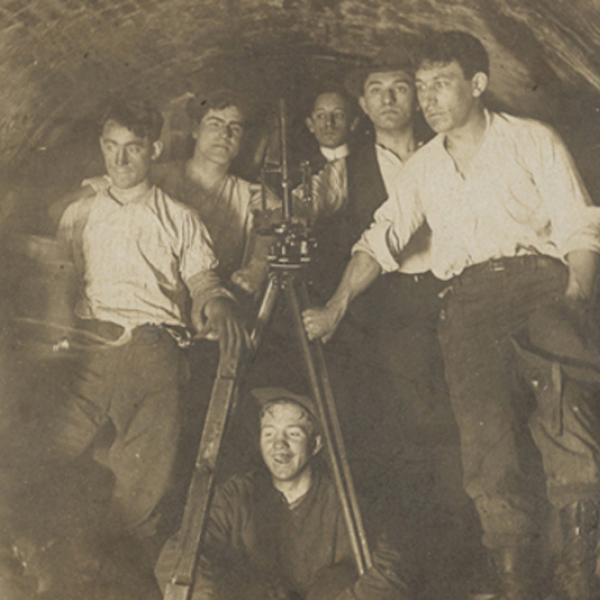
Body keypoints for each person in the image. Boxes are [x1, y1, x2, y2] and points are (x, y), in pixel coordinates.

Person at [303, 30, 600, 600]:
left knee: (568, 431)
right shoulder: (423, 167)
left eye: (441, 84)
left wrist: (574, 300)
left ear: (478, 84)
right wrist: (337, 305)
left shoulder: (533, 140)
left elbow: (578, 224)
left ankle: (580, 580)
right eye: (422, 87)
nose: (429, 99)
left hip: (540, 285)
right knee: (487, 450)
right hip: (466, 304)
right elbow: (380, 238)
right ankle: (515, 586)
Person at [0, 97, 249, 600]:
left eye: (132, 149)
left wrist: (217, 303)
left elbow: (204, 281)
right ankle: (28, 571)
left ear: (154, 150)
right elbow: (59, 282)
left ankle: (116, 583)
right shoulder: (79, 213)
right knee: (32, 453)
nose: (119, 161)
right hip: (89, 351)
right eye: (111, 148)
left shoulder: (179, 217)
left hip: (154, 352)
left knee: (143, 490)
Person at [155, 387, 414, 600]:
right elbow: (180, 551)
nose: (279, 444)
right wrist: (203, 594)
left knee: (337, 579)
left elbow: (394, 567)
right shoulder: (237, 494)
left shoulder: (344, 501)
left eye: (293, 433)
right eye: (269, 433)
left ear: (315, 445)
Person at [302, 88, 357, 173]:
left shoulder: (367, 164)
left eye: (338, 115)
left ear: (353, 123)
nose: (329, 123)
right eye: (321, 116)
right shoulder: (302, 170)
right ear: (310, 124)